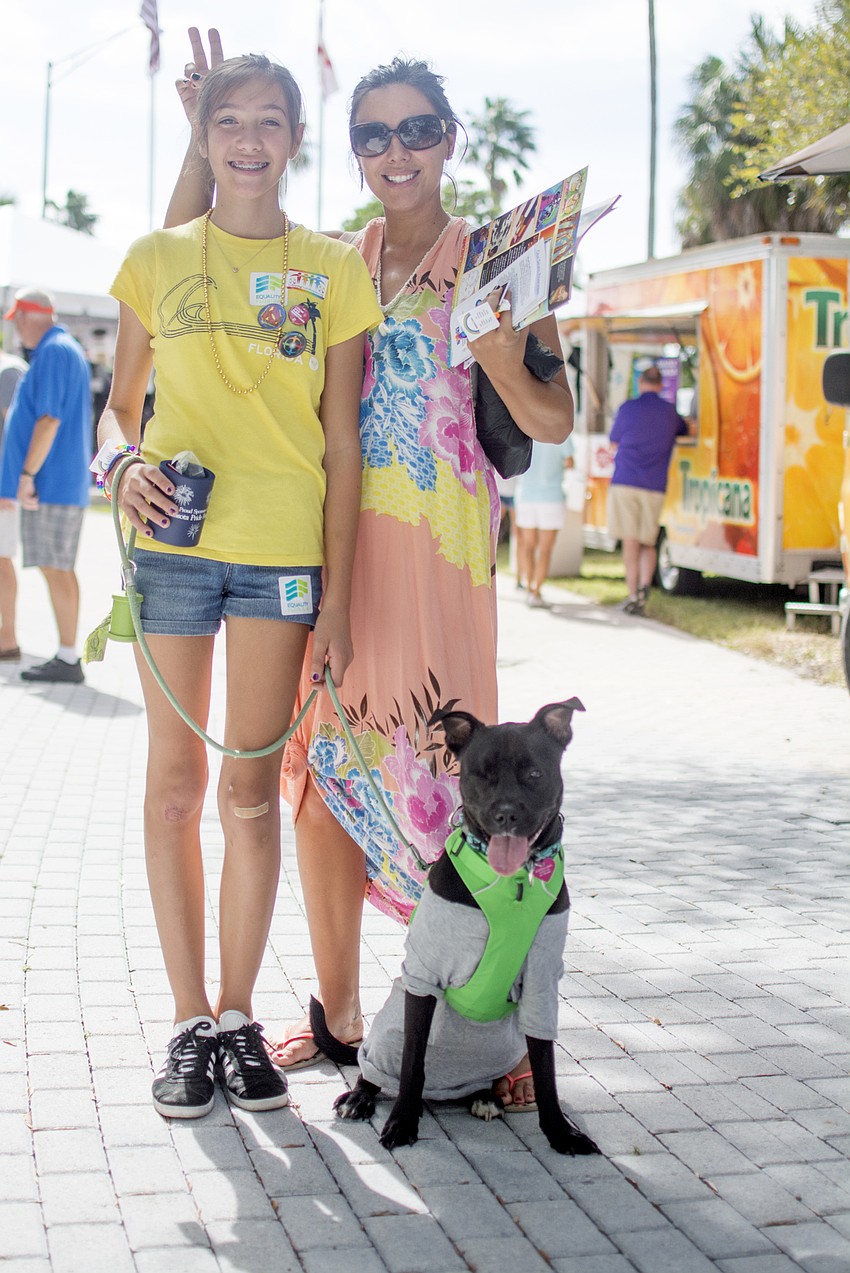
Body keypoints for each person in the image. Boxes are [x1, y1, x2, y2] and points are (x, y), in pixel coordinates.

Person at [168, 33, 573, 1109]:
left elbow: (552, 415)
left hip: (439, 560)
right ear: (350, 152)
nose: (398, 151)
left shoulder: (497, 261)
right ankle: (339, 1018)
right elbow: (181, 285)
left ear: (448, 141)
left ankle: (497, 1040)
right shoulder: (329, 262)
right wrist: (198, 146)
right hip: (331, 552)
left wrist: (490, 346)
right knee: (324, 787)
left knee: (476, 794)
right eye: (374, 135)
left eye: (417, 131)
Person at [98, 52, 381, 1119]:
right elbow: (124, 407)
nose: (250, 140)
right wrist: (125, 469)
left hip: (280, 559)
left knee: (250, 791)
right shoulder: (155, 255)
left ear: (294, 139)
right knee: (174, 784)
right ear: (205, 135)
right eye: (231, 122)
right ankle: (184, 1022)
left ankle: (237, 1016)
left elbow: (342, 443)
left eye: (270, 122)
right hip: (171, 548)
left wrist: (341, 606)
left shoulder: (330, 267)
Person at [0, 289, 92, 683]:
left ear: (24, 318)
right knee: (58, 568)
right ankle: (67, 655)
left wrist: (25, 475)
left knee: (57, 568)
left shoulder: (54, 351)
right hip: (55, 482)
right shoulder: (61, 348)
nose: (16, 330)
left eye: (16, 321)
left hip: (51, 482)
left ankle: (68, 658)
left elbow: (49, 420)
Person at [608, 364, 691, 615]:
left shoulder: (628, 408)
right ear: (660, 385)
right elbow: (687, 431)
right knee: (648, 541)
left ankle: (632, 594)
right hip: (655, 485)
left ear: (641, 382)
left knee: (630, 541)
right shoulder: (669, 412)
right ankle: (645, 590)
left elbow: (613, 442)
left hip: (625, 481)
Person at [514, 437, 574, 607]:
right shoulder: (560, 432)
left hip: (526, 494)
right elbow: (570, 462)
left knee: (528, 546)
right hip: (551, 496)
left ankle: (528, 589)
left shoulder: (526, 428)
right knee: (545, 550)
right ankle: (536, 591)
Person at [0, 347, 27, 659]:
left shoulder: (8, 370)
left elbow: (15, 431)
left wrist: (9, 485)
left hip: (4, 485)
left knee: (2, 559)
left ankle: (8, 639)